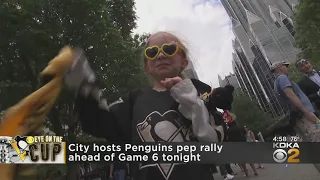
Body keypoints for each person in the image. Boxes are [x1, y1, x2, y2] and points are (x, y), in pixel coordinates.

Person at [64, 31, 223, 180]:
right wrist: (84, 86)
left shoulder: (203, 95)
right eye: (152, 52)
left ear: (184, 62)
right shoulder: (133, 101)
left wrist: (191, 101)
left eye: (169, 49)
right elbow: (99, 123)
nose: (160, 55)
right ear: (147, 67)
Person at [271, 61, 317, 128]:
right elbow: (291, 95)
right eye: (286, 66)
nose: (287, 68)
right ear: (281, 68)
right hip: (305, 115)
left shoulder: (277, 82)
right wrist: (306, 112)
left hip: (301, 114)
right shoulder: (282, 78)